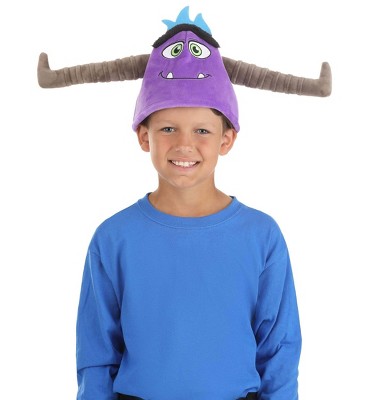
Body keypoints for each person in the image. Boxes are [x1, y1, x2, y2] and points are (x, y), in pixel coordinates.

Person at [32, 5, 333, 399]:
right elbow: (96, 352)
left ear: (227, 139)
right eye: (168, 128)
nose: (184, 144)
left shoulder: (262, 236)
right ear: (144, 136)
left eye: (202, 130)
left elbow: (279, 349)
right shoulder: (113, 237)